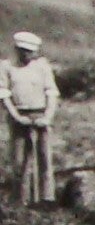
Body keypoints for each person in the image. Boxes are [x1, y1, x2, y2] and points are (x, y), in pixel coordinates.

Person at [0, 31, 60, 204]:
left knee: (44, 157)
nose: (28, 55)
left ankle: (46, 199)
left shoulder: (42, 66)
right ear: (17, 49)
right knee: (20, 160)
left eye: (31, 51)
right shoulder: (6, 66)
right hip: (19, 114)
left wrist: (48, 116)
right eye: (24, 51)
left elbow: (51, 92)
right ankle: (21, 200)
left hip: (40, 113)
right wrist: (17, 117)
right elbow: (4, 95)